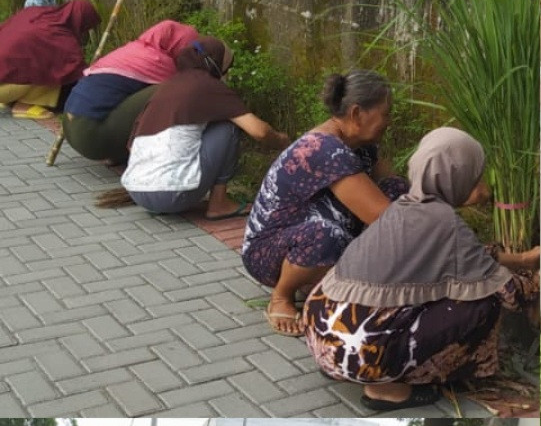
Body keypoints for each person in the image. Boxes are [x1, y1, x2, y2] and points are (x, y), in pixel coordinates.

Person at [303, 127, 540, 412]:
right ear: (456, 178)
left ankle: (347, 365)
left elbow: (470, 257)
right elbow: (509, 292)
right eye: (474, 176)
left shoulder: (403, 207)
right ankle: (387, 389)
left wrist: (524, 260)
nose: (480, 185)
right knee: (483, 302)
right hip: (358, 351)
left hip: (321, 332)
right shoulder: (444, 222)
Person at [242, 69, 409, 337]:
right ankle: (282, 295)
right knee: (327, 237)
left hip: (306, 233)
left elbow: (395, 189)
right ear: (356, 114)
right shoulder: (326, 150)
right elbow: (383, 217)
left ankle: (317, 277)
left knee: (397, 189)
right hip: (268, 252)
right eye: (386, 113)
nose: (389, 121)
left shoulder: (362, 145)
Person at [107, 35, 290, 220]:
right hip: (171, 196)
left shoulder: (167, 86)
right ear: (216, 64)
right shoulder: (209, 85)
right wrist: (284, 142)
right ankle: (219, 204)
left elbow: (132, 144)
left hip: (137, 192)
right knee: (227, 126)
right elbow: (260, 132)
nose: (228, 74)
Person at [63, 20, 198, 165]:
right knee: (173, 91)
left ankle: (119, 152)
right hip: (90, 136)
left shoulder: (132, 51)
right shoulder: (157, 61)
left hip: (69, 126)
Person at [0, 0, 100, 119]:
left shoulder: (34, 12)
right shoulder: (61, 36)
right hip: (4, 90)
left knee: (40, 68)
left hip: (5, 81)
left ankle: (15, 101)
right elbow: (78, 72)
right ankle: (22, 103)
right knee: (58, 82)